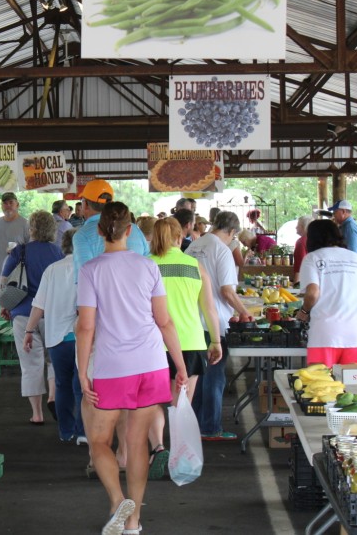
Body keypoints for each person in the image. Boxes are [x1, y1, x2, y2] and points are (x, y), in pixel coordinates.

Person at [76, 202, 187, 535]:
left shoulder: (91, 270)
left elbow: (86, 327)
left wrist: (83, 371)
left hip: (112, 367)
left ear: (99, 231)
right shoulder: (149, 267)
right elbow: (164, 321)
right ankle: (134, 522)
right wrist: (179, 365)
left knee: (99, 441)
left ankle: (116, 501)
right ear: (130, 230)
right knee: (138, 444)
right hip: (151, 364)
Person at [147, 217, 223, 479]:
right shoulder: (195, 266)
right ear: (180, 238)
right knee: (182, 404)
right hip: (190, 343)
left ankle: (158, 448)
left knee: (154, 403)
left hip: (153, 343)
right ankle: (180, 457)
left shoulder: (147, 266)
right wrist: (216, 341)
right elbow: (209, 309)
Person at [186, 211, 252, 441]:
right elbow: (226, 290)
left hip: (191, 321)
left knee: (197, 377)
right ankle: (211, 428)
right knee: (214, 377)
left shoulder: (193, 246)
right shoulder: (222, 251)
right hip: (213, 323)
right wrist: (244, 311)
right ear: (232, 232)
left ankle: (193, 425)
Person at [0, 210, 63, 425]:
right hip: (52, 315)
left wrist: (7, 305)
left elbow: (3, 282)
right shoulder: (58, 253)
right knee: (53, 358)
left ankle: (37, 413)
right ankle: (53, 396)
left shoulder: (20, 252)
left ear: (31, 229)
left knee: (30, 364)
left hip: (23, 314)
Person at [24, 228, 84, 444]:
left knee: (62, 384)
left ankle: (66, 431)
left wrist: (29, 331)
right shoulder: (88, 268)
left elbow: (38, 305)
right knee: (83, 386)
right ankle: (83, 432)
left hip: (57, 338)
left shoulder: (52, 270)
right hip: (83, 338)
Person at [296, 220, 357, 366]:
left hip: (324, 335)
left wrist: (304, 311)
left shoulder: (312, 258)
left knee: (320, 387)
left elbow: (313, 293)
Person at [72, 179, 149, 276]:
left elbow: (83, 278)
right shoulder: (135, 230)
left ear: (86, 204)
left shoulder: (82, 236)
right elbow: (148, 268)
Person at [0, 192, 29, 296]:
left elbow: (31, 250)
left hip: (15, 278)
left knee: (10, 309)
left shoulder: (26, 224)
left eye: (11, 202)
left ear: (17, 204)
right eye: (5, 203)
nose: (8, 205)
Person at [291, 215, 314, 285]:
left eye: (298, 225)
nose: (296, 227)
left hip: (305, 281)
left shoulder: (301, 242)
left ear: (304, 227)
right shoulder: (314, 240)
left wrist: (296, 284)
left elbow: (300, 265)